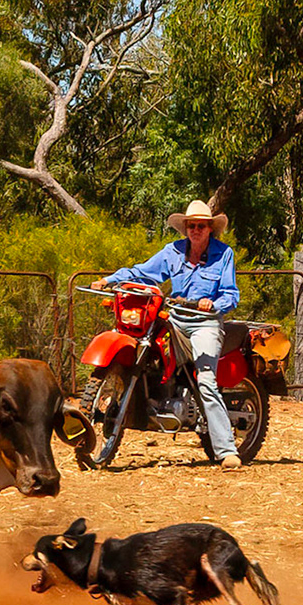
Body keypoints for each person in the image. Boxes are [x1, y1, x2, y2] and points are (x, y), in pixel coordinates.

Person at [99, 200, 244, 469]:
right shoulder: (173, 252)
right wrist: (110, 280)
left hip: (205, 323)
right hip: (175, 319)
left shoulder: (224, 254)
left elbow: (231, 294)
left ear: (210, 228)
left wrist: (213, 304)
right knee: (145, 351)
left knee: (206, 381)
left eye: (201, 225)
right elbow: (142, 272)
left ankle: (226, 450)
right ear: (185, 228)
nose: (196, 230)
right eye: (191, 225)